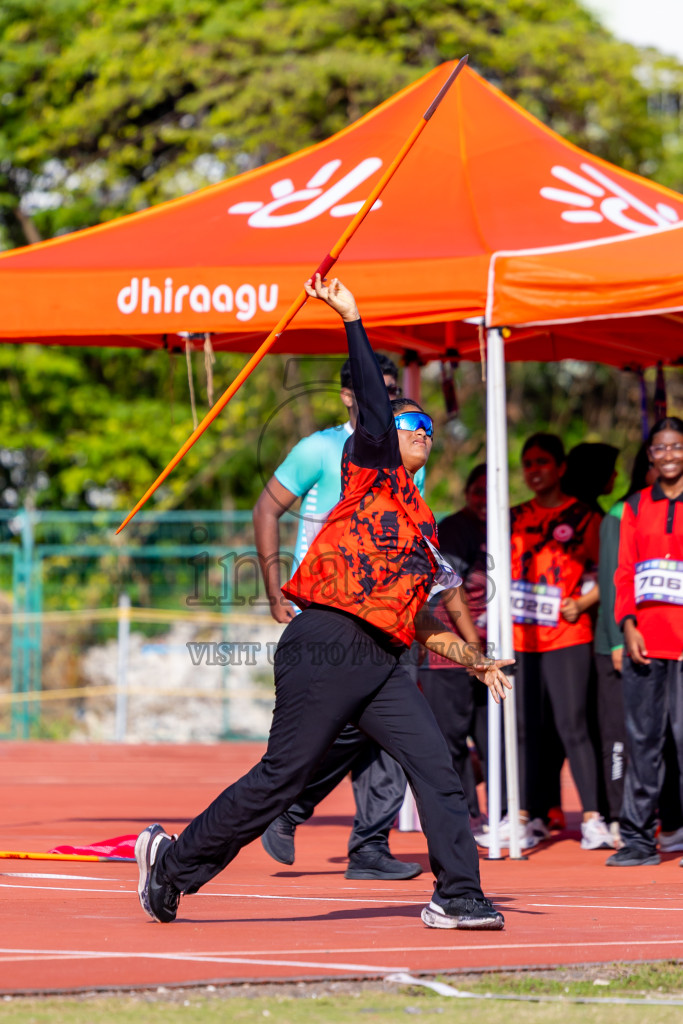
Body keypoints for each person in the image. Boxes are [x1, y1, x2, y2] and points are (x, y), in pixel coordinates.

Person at [135, 274, 512, 930]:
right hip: (327, 641)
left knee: (437, 769)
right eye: (407, 423)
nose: (420, 429)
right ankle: (170, 866)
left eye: (426, 425)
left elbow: (420, 619)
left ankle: (459, 895)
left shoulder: (423, 525)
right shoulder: (368, 472)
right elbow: (371, 403)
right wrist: (353, 319)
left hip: (380, 660)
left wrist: (473, 659)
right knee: (282, 778)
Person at [253, 352, 425, 881]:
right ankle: (291, 804)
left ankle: (370, 846)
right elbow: (265, 509)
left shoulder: (406, 446)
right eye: (378, 391)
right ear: (350, 395)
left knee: (395, 729)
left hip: (390, 608)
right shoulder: (321, 449)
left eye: (394, 391)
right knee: (348, 725)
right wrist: (273, 590)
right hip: (330, 607)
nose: (388, 401)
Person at [495, 433, 612, 852]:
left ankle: (595, 818)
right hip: (520, 637)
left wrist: (582, 601)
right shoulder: (510, 516)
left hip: (568, 636)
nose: (534, 471)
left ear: (561, 468)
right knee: (523, 728)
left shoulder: (584, 517)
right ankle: (525, 814)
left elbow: (606, 570)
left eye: (543, 462)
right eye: (528, 464)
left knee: (573, 725)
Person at [608, 417, 683, 866]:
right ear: (650, 456)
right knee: (644, 741)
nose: (669, 455)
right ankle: (637, 838)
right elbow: (624, 571)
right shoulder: (635, 506)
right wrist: (629, 624)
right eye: (660, 448)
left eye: (676, 447)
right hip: (645, 642)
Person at [419, 464, 498, 824]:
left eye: (490, 491)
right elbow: (453, 587)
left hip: (490, 646)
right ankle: (463, 814)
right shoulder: (452, 529)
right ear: (467, 493)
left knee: (491, 735)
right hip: (447, 651)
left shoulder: (502, 526)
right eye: (477, 490)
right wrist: (471, 646)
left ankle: (503, 811)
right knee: (450, 736)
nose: (483, 499)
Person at [593, 444, 657, 843]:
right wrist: (618, 638)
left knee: (658, 735)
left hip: (664, 642)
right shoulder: (622, 513)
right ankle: (619, 816)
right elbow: (611, 579)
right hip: (620, 641)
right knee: (620, 734)